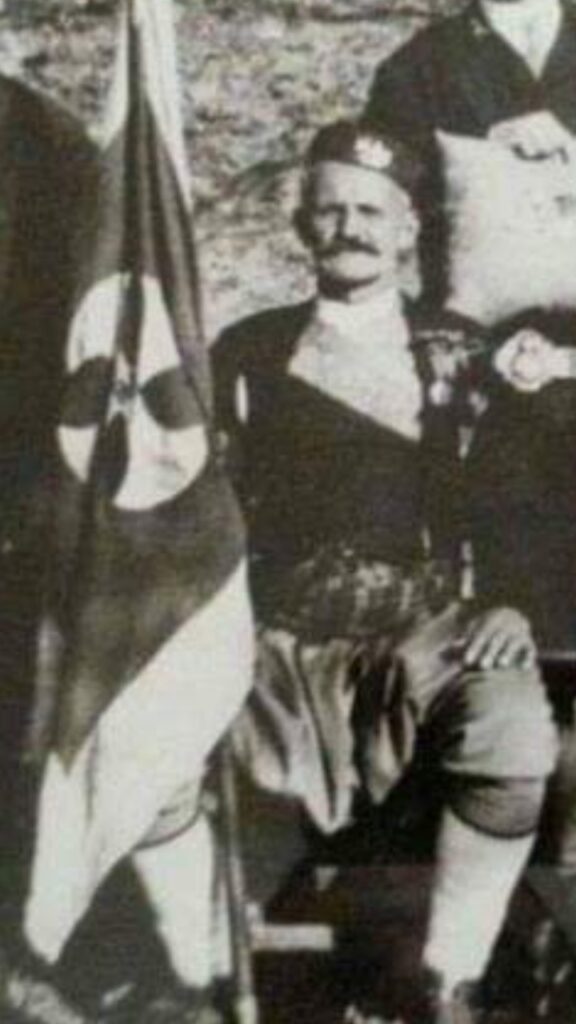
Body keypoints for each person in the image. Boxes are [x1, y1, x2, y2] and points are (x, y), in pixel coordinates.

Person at [212, 119, 558, 1024]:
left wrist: (512, 602)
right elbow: (207, 500)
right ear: (302, 226)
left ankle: (450, 975)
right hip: (277, 638)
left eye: (372, 212)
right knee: (172, 738)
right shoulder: (249, 351)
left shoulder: (462, 352)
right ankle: (203, 969)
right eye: (330, 211)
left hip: (428, 631)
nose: (350, 229)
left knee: (517, 736)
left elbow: (516, 494)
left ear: (409, 230)